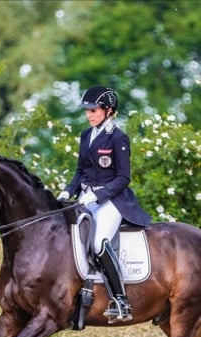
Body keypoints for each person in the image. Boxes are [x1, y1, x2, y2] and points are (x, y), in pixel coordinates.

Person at [57, 86, 152, 323]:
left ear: (109, 110)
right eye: (87, 111)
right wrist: (68, 190)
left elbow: (123, 178)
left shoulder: (118, 138)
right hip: (86, 197)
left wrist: (98, 196)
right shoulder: (86, 135)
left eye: (94, 110)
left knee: (99, 243)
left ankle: (121, 300)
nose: (89, 115)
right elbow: (80, 171)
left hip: (112, 201)